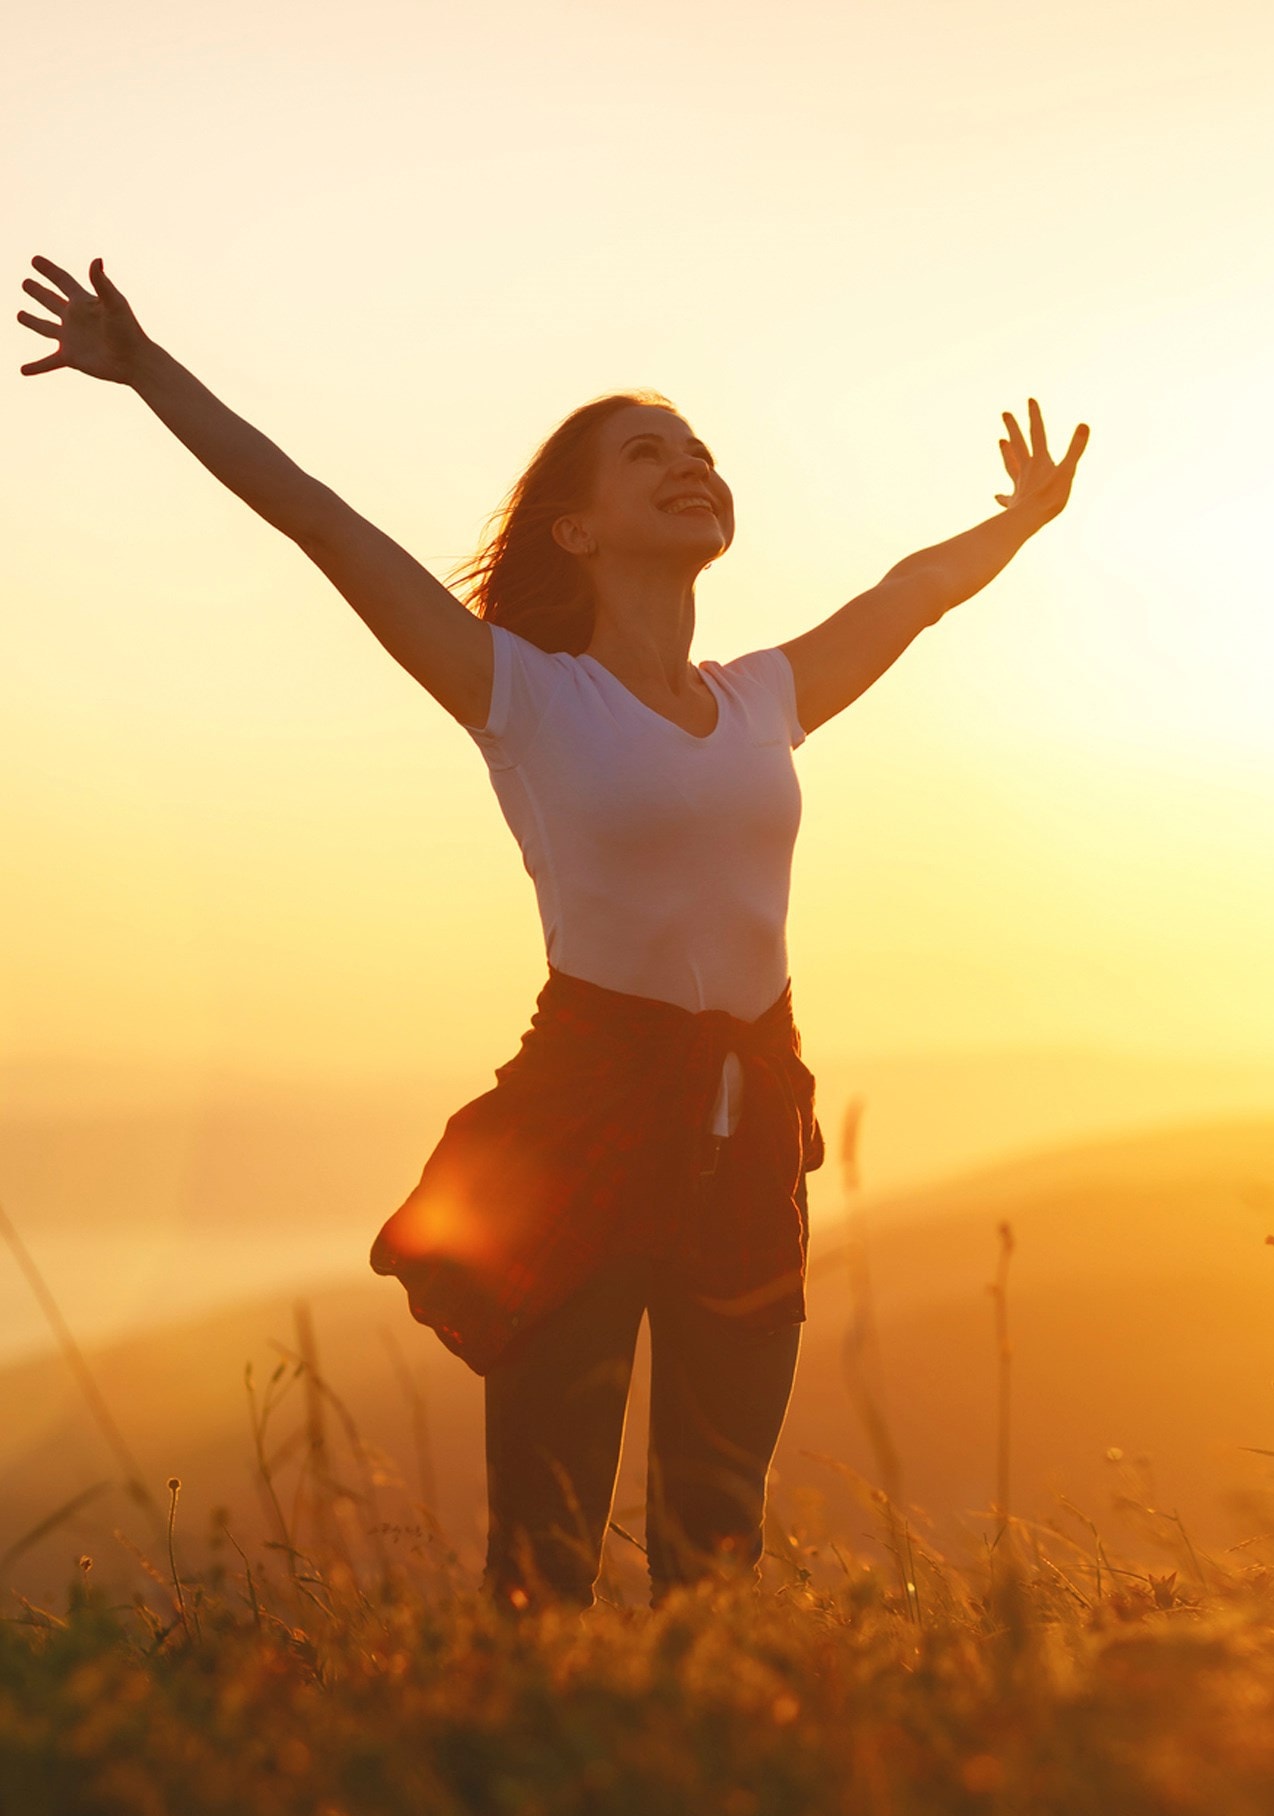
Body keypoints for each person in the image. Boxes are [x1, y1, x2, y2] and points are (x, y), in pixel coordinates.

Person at [17, 252, 1090, 1612]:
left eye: (700, 451)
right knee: (547, 1544)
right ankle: (522, 1784)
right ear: (575, 531)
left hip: (752, 1126)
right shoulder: (516, 691)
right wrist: (148, 369)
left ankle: (685, 1784)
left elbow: (909, 595)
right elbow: (322, 523)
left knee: (715, 1534)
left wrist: (1023, 522)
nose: (690, 465)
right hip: (584, 1116)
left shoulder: (767, 697)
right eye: (648, 456)